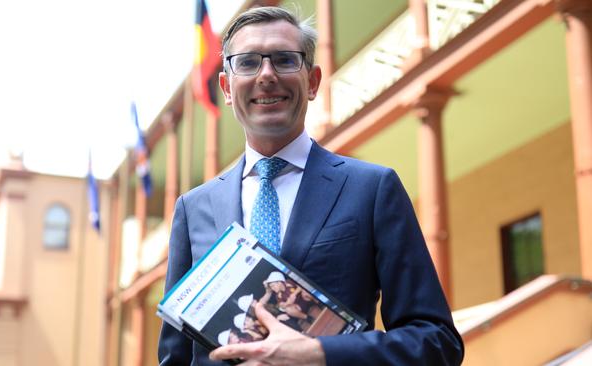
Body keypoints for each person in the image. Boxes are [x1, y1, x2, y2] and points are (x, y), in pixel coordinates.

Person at [158, 6, 464, 366]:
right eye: (248, 62)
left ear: (313, 81)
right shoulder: (194, 209)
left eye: (285, 60)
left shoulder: (372, 189)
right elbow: (175, 358)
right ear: (226, 87)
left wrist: (320, 354)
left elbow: (436, 342)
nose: (267, 75)